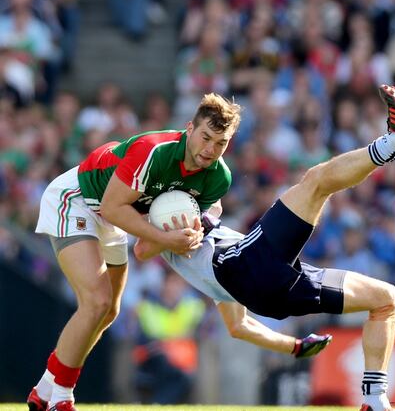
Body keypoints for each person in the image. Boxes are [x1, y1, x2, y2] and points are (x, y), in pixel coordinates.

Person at [133, 85, 395, 411]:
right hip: (249, 265)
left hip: (269, 294)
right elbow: (142, 249)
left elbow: (238, 326)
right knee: (316, 181)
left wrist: (294, 347)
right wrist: (174, 232)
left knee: (386, 299)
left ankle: (375, 401)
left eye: (219, 143)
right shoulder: (170, 228)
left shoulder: (209, 268)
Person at [28, 93, 241, 411]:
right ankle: (61, 397)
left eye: (220, 143)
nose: (210, 149)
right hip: (76, 198)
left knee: (109, 311)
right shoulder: (154, 150)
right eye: (206, 137)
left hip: (114, 218)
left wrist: (191, 234)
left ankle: (46, 387)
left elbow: (143, 250)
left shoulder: (218, 178)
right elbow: (114, 207)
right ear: (189, 129)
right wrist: (166, 239)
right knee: (96, 301)